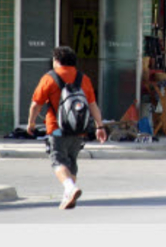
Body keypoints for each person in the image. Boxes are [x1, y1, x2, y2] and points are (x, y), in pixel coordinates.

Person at [26, 46, 107, 210]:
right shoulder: (83, 79)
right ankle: (67, 196)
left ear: (56, 60)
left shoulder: (49, 78)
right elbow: (92, 105)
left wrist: (31, 123)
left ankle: (70, 189)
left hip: (56, 128)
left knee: (58, 160)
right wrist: (100, 126)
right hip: (79, 129)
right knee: (71, 161)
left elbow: (36, 105)